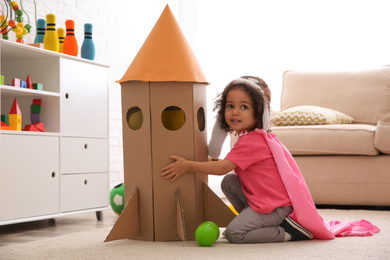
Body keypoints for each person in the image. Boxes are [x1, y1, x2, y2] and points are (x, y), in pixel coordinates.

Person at [161, 76, 314, 243]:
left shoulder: (251, 142)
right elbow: (224, 165)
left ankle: (287, 233)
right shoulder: (249, 137)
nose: (235, 112)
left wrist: (187, 166)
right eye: (230, 106)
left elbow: (222, 168)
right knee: (230, 182)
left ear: (258, 113)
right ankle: (252, 221)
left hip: (274, 207)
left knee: (235, 234)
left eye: (244, 107)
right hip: (263, 200)